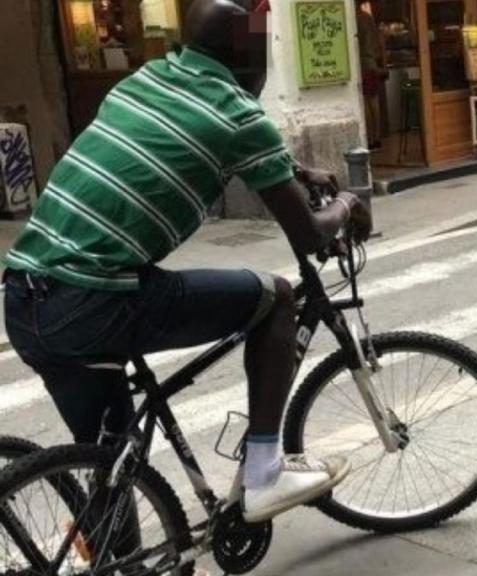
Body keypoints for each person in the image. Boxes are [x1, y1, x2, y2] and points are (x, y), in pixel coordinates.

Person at [2, 0, 371, 524]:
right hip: (94, 299)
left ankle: (119, 557)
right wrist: (349, 203)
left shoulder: (148, 79)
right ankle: (265, 473)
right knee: (277, 297)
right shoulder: (241, 116)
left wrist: (294, 169)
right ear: (250, 55)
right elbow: (311, 236)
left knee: (111, 461)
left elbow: (207, 134)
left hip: (25, 296)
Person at [358, 0, 386, 149]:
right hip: (371, 64)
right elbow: (377, 43)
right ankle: (377, 137)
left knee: (364, 104)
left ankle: (369, 139)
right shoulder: (368, 18)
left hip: (359, 66)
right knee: (373, 103)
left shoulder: (353, 19)